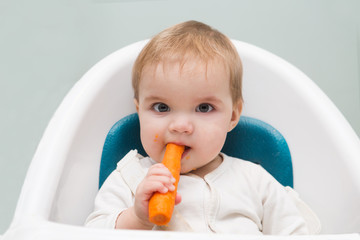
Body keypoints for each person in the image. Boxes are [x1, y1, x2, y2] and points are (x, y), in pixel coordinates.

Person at [85, 20, 319, 235]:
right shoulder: (129, 178)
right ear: (139, 111)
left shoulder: (255, 181)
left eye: (204, 108)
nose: (180, 126)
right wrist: (137, 218)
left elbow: (295, 233)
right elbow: (91, 233)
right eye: (161, 107)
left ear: (233, 116)